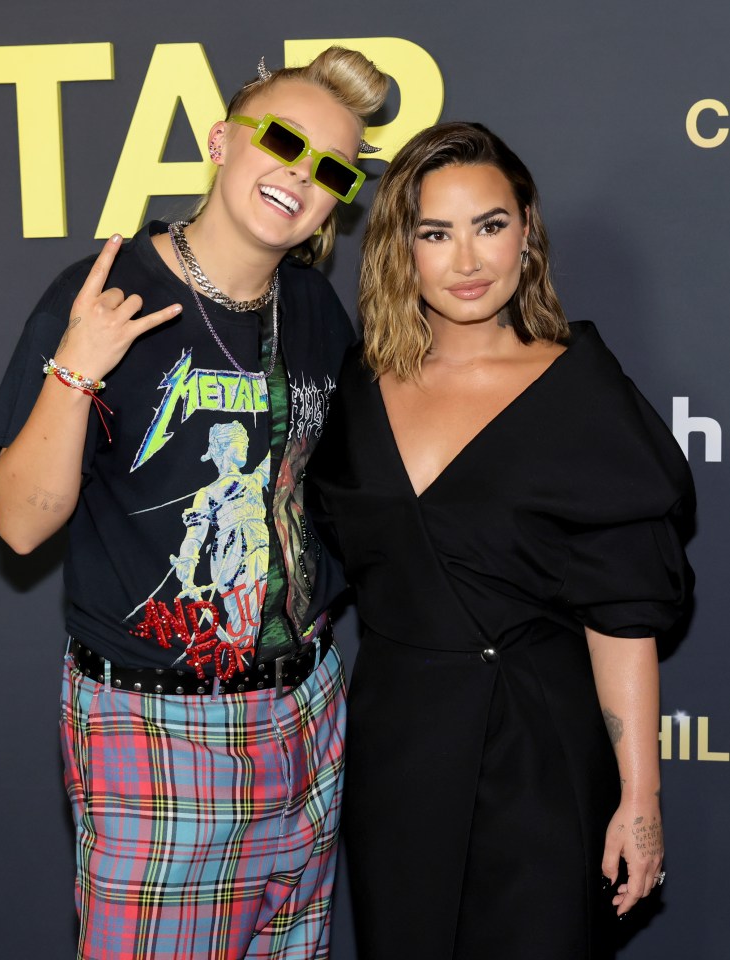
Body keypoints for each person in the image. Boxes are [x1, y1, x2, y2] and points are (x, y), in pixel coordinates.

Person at [0, 48, 389, 960]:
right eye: (282, 140)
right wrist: (78, 364)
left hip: (308, 716)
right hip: (156, 730)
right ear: (219, 140)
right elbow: (21, 521)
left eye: (330, 168)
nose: (300, 174)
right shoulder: (108, 292)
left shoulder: (316, 310)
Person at [306, 122, 695, 960]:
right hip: (398, 749)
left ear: (526, 232)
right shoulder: (356, 391)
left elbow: (621, 613)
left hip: (538, 750)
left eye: (489, 224)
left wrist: (639, 798)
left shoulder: (577, 388)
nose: (467, 259)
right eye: (435, 233)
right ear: (400, 251)